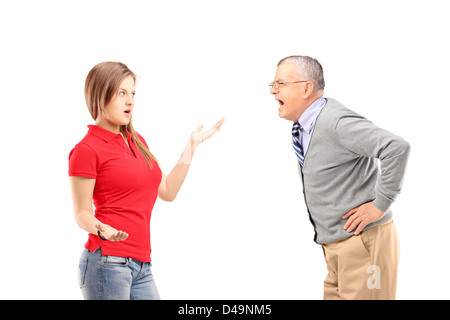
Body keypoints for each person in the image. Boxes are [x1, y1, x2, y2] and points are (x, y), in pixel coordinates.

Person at [69, 61, 224, 300]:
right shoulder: (87, 149)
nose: (130, 101)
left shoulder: (136, 140)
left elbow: (168, 191)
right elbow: (81, 213)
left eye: (132, 93)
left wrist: (191, 146)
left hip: (142, 265)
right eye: (122, 93)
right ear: (100, 94)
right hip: (106, 262)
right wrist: (102, 229)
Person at [269, 55, 410, 300]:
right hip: (335, 249)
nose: (273, 91)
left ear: (306, 88)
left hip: (363, 245)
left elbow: (396, 147)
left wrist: (380, 205)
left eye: (280, 83)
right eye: (272, 84)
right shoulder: (304, 126)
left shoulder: (335, 122)